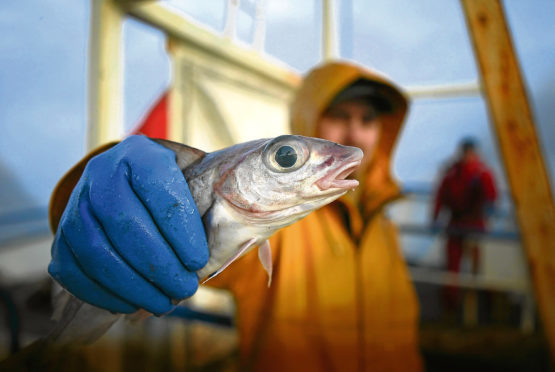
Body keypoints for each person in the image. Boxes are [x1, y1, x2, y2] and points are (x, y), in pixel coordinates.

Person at [48, 61, 422, 371]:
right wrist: (99, 201)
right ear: (310, 118)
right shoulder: (278, 227)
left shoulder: (383, 223)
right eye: (339, 115)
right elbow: (159, 230)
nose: (354, 133)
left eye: (368, 119)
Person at [432, 138, 497, 310]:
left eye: (470, 153)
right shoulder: (452, 173)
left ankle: (482, 306)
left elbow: (491, 196)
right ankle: (451, 306)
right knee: (452, 268)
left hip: (474, 225)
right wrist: (436, 216)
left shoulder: (481, 173)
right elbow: (441, 195)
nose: (467, 156)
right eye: (465, 153)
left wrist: (488, 209)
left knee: (477, 269)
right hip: (456, 223)